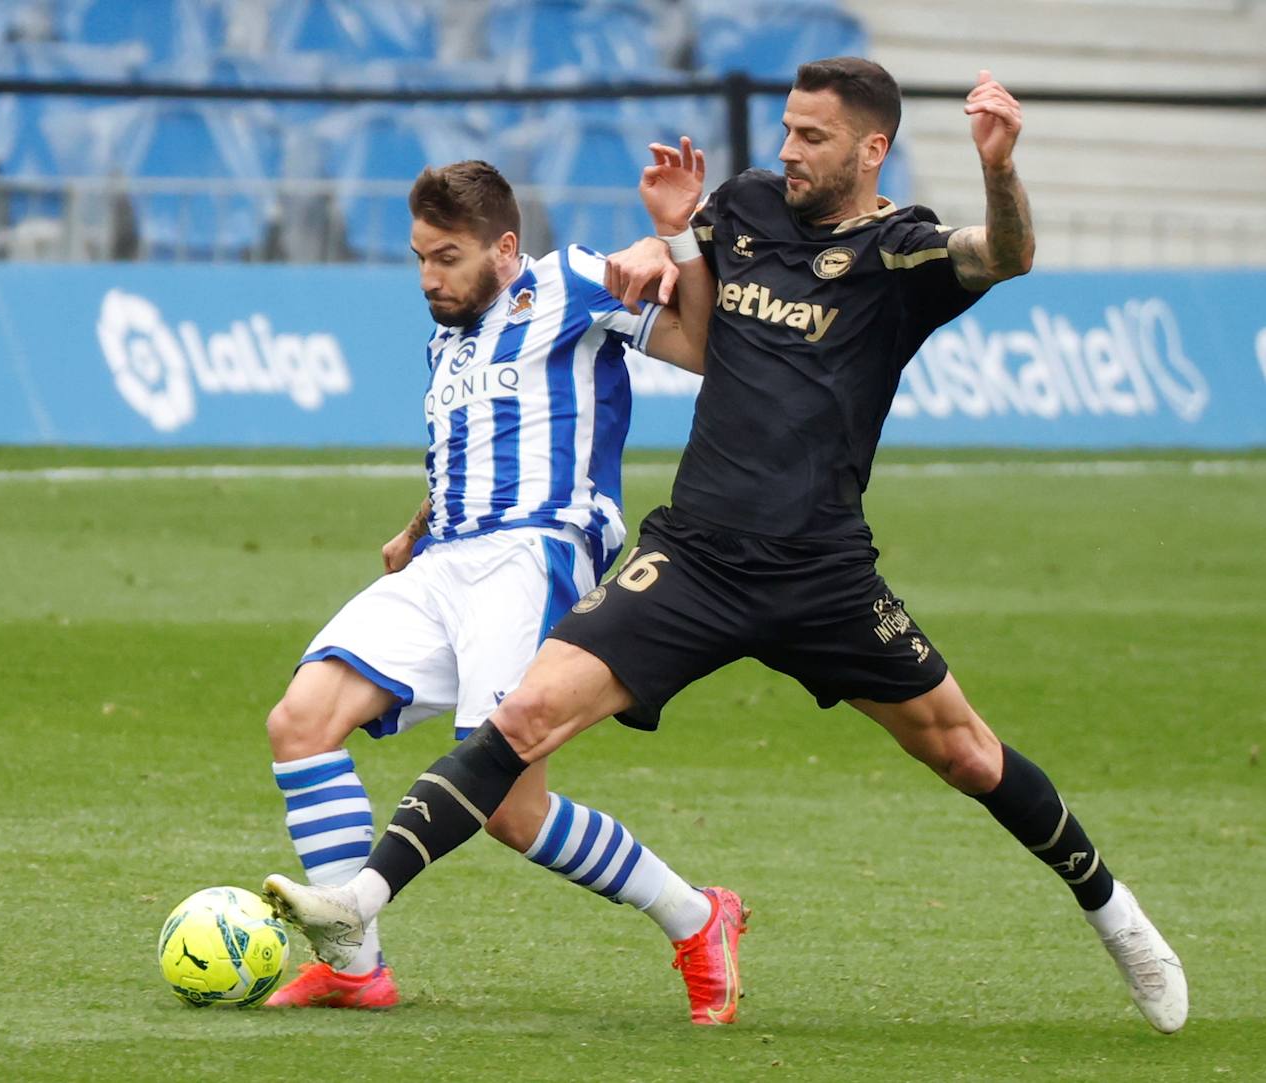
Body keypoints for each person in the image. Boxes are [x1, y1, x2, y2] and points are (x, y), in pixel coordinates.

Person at [265, 60, 1188, 1034]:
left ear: (873, 149)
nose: (787, 149)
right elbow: (668, 268)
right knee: (523, 720)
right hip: (695, 557)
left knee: (966, 753)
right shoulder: (744, 209)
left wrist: (999, 168)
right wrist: (661, 238)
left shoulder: (898, 251)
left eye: (812, 136)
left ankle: (1114, 914)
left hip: (823, 569)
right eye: (787, 129)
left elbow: (1004, 252)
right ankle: (360, 909)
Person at [262, 159, 749, 1024]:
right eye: (418, 257)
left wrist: (671, 242)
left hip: (534, 555)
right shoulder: (446, 336)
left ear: (506, 246)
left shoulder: (572, 284)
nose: (428, 279)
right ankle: (353, 966)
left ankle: (697, 915)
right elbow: (485, 440)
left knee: (511, 811)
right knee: (300, 722)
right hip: (443, 558)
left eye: (446, 257)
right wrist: (416, 525)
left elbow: (703, 348)